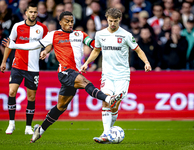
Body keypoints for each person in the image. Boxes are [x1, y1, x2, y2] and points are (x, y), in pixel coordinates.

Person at [2, 11, 122, 143]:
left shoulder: (80, 34)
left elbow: (93, 44)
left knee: (61, 106)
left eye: (72, 21)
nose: (70, 24)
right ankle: (108, 99)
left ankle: (40, 130)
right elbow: (34, 45)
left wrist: (107, 44)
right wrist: (14, 45)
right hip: (65, 72)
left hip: (75, 73)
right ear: (60, 22)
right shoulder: (53, 35)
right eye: (67, 21)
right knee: (84, 82)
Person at [81, 8, 152, 144]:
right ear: (107, 19)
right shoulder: (100, 34)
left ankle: (108, 133)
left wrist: (146, 62)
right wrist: (87, 63)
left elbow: (138, 50)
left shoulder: (126, 35)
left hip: (122, 75)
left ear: (119, 19)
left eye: (115, 21)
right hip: (107, 74)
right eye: (110, 21)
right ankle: (106, 134)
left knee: (114, 106)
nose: (112, 24)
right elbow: (96, 51)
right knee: (106, 100)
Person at [0, 3, 50, 135]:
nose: (33, 14)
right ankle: (11, 123)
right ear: (26, 13)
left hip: (33, 68)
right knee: (11, 92)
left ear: (37, 13)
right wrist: (4, 62)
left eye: (35, 12)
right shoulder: (17, 26)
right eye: (31, 12)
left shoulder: (42, 28)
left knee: (31, 97)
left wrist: (46, 51)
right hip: (18, 65)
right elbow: (9, 44)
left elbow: (50, 43)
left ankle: (28, 126)